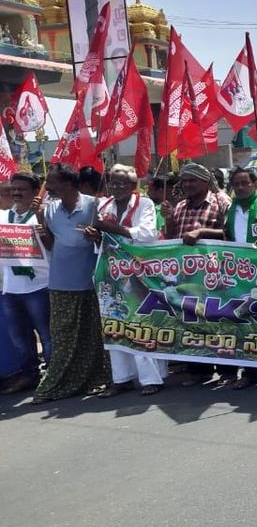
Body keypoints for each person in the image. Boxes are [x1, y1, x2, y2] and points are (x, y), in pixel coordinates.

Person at [31, 163, 107, 404]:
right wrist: (38, 218)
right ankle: (55, 385)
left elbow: (105, 241)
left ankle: (94, 379)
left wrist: (96, 237)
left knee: (92, 336)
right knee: (63, 337)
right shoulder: (49, 210)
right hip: (61, 282)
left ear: (68, 183)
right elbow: (51, 245)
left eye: (51, 181)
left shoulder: (94, 205)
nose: (47, 186)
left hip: (91, 280)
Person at [91, 165, 166, 398]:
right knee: (114, 323)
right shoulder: (104, 205)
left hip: (139, 273)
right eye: (113, 182)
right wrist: (94, 234)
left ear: (134, 186)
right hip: (110, 272)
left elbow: (147, 233)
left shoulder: (144, 204)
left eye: (123, 183)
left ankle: (152, 378)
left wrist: (109, 227)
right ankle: (122, 378)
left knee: (141, 323)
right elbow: (101, 237)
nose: (117, 187)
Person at [165, 163, 232, 386]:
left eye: (192, 180)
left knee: (218, 319)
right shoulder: (180, 206)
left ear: (205, 181)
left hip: (215, 273)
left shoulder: (221, 202)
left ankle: (227, 370)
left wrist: (202, 233)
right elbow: (172, 236)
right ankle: (199, 369)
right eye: (184, 181)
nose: (187, 185)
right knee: (192, 320)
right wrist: (168, 219)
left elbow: (229, 233)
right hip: (187, 275)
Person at [0, 173, 50, 395]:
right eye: (13, 189)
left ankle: (53, 375)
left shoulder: (43, 215)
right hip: (11, 287)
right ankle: (29, 375)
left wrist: (43, 226)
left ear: (35, 191)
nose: (17, 192)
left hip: (39, 285)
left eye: (22, 189)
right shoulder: (3, 216)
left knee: (47, 335)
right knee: (20, 337)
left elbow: (53, 245)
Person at [221, 168, 257, 390]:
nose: (240, 188)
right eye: (236, 184)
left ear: (255, 183)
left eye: (244, 183)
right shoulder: (230, 210)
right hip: (239, 273)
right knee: (243, 322)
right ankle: (250, 371)